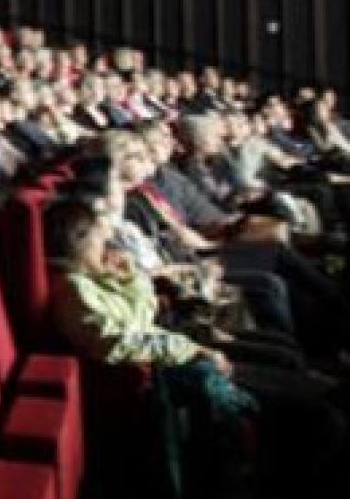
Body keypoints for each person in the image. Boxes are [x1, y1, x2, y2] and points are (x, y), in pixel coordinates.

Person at [46, 197, 346, 499]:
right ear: (80, 243)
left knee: (298, 373)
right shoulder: (74, 291)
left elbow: (143, 318)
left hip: (179, 358)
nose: (107, 241)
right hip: (175, 380)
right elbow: (118, 343)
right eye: (100, 236)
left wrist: (131, 279)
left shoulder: (95, 279)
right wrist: (193, 349)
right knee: (325, 418)